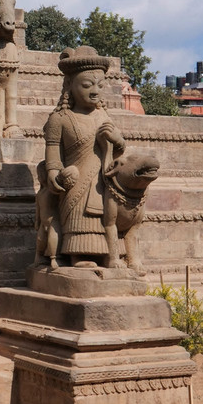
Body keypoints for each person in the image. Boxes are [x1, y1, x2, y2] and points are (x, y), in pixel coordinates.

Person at [42, 45, 125, 267]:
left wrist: (118, 140)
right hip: (75, 182)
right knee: (79, 219)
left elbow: (118, 153)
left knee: (104, 219)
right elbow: (53, 154)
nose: (95, 91)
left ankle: (109, 254)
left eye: (100, 85)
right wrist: (54, 174)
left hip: (101, 182)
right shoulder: (59, 119)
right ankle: (77, 255)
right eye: (87, 85)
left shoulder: (103, 116)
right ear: (69, 85)